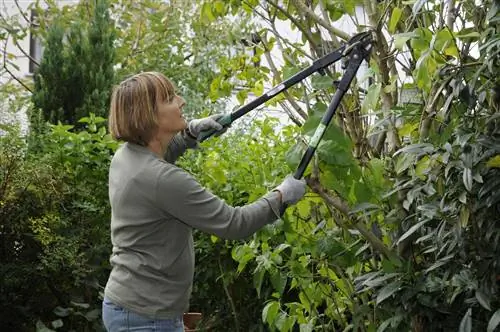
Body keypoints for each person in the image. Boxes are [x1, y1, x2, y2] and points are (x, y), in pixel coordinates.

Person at [101, 71, 306, 332]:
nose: (181, 101)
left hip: (132, 306)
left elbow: (161, 154)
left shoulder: (126, 157)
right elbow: (234, 223)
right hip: (146, 317)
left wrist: (191, 133)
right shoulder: (163, 179)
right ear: (150, 115)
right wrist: (280, 197)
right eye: (170, 98)